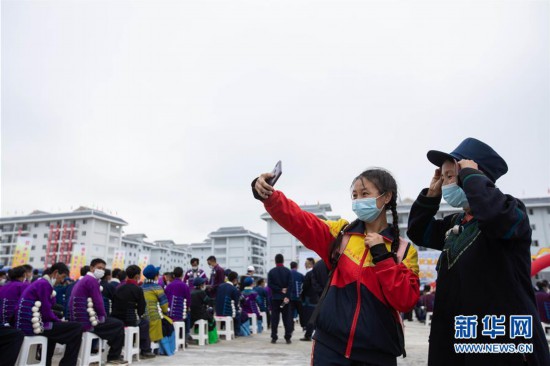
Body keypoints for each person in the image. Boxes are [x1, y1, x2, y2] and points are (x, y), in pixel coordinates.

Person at [253, 167, 420, 364]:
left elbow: (405, 301)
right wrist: (270, 197)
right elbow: (301, 221)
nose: (358, 201)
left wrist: (382, 257)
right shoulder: (341, 235)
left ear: (386, 197)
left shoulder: (403, 250)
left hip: (377, 354)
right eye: (355, 195)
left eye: (365, 194)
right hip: (329, 348)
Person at [407, 137, 550, 366]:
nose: (445, 184)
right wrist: (430, 195)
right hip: (456, 341)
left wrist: (472, 176)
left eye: (451, 176)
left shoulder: (509, 211)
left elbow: (494, 217)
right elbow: (418, 231)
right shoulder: (455, 223)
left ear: (474, 176)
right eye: (443, 178)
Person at [15, 262, 83, 366]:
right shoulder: (44, 284)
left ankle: (46, 361)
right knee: (77, 328)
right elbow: (46, 311)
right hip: (31, 325)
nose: (62, 280)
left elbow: (49, 306)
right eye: (62, 277)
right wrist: (59, 321)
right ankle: (68, 364)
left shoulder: (42, 283)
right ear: (56, 273)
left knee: (58, 330)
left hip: (30, 323)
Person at [68, 258, 127, 365]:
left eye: (103, 269)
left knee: (113, 323)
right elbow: (98, 302)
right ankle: (114, 356)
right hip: (86, 321)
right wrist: (103, 317)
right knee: (119, 324)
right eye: (99, 268)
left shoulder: (84, 280)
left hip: (78, 319)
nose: (101, 271)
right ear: (91, 268)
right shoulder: (91, 281)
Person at [111, 265, 156, 359]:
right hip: (130, 321)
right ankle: (145, 350)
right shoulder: (138, 289)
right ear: (137, 276)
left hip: (116, 319)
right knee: (145, 323)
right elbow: (141, 309)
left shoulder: (119, 288)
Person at [142, 265, 175, 355]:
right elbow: (164, 306)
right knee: (169, 323)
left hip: (142, 318)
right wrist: (165, 313)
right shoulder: (157, 288)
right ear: (156, 276)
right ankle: (165, 349)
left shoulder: (141, 287)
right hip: (154, 318)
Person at [267, 254, 293, 344]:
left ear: (275, 261)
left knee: (275, 318)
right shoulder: (288, 271)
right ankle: (288, 337)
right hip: (285, 299)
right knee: (287, 318)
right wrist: (287, 295)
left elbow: (270, 284)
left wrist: (279, 289)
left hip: (275, 299)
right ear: (283, 260)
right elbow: (290, 285)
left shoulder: (271, 272)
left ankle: (274, 337)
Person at [165, 267, 191, 341]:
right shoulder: (185, 286)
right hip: (179, 315)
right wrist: (188, 308)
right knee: (187, 315)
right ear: (182, 275)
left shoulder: (169, 286)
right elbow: (188, 300)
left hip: (169, 314)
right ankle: (185, 336)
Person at [215, 271, 242, 336]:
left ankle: (221, 329)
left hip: (217, 311)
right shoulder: (234, 289)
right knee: (239, 313)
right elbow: (236, 304)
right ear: (235, 280)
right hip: (227, 313)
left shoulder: (220, 286)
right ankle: (236, 332)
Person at [300, 257, 316, 341]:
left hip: (309, 299)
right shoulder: (317, 272)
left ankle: (308, 335)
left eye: (306, 263)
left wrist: (302, 295)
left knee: (309, 318)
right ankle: (310, 334)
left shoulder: (309, 273)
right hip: (316, 298)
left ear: (311, 263)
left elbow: (305, 287)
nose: (305, 264)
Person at [289, 261, 304, 332]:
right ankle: (304, 326)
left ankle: (291, 327)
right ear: (296, 266)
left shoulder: (287, 274)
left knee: (290, 313)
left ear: (290, 266)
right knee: (301, 313)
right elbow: (305, 284)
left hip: (289, 298)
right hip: (298, 297)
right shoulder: (300, 275)